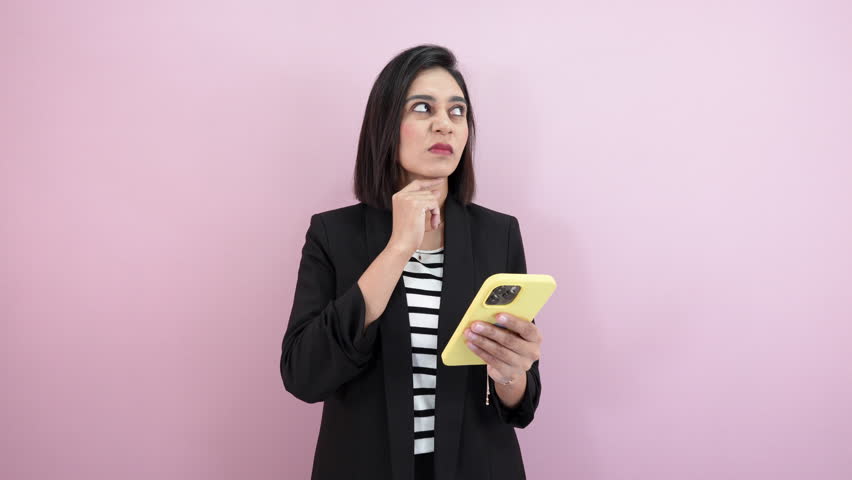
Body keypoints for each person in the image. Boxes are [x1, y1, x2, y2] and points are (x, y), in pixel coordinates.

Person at [280, 44, 543, 480]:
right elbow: (304, 375)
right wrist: (398, 247)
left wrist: (512, 372)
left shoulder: (499, 234)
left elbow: (521, 406)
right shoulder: (332, 234)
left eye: (457, 112)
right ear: (386, 124)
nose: (445, 123)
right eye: (423, 107)